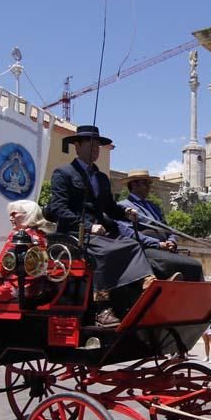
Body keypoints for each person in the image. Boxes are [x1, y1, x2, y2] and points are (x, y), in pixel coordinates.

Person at [44, 125, 154, 326]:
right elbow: (59, 208)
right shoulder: (64, 173)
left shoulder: (101, 178)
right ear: (77, 146)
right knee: (104, 250)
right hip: (73, 232)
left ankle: (146, 283)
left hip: (99, 231)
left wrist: (125, 212)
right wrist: (87, 226)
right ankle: (102, 308)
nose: (95, 149)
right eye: (90, 144)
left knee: (131, 244)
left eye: (98, 145)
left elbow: (110, 207)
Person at [117, 170, 203, 281]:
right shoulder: (122, 207)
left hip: (164, 248)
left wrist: (172, 240)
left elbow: (167, 228)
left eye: (149, 184)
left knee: (195, 264)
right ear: (134, 184)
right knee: (190, 265)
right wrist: (157, 244)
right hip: (145, 249)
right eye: (145, 183)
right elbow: (128, 233)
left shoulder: (154, 207)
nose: (149, 187)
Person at [0, 200, 56, 303]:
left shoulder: (19, 236)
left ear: (29, 214)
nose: (10, 218)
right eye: (10, 215)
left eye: (14, 214)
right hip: (40, 286)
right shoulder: (42, 235)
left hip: (19, 286)